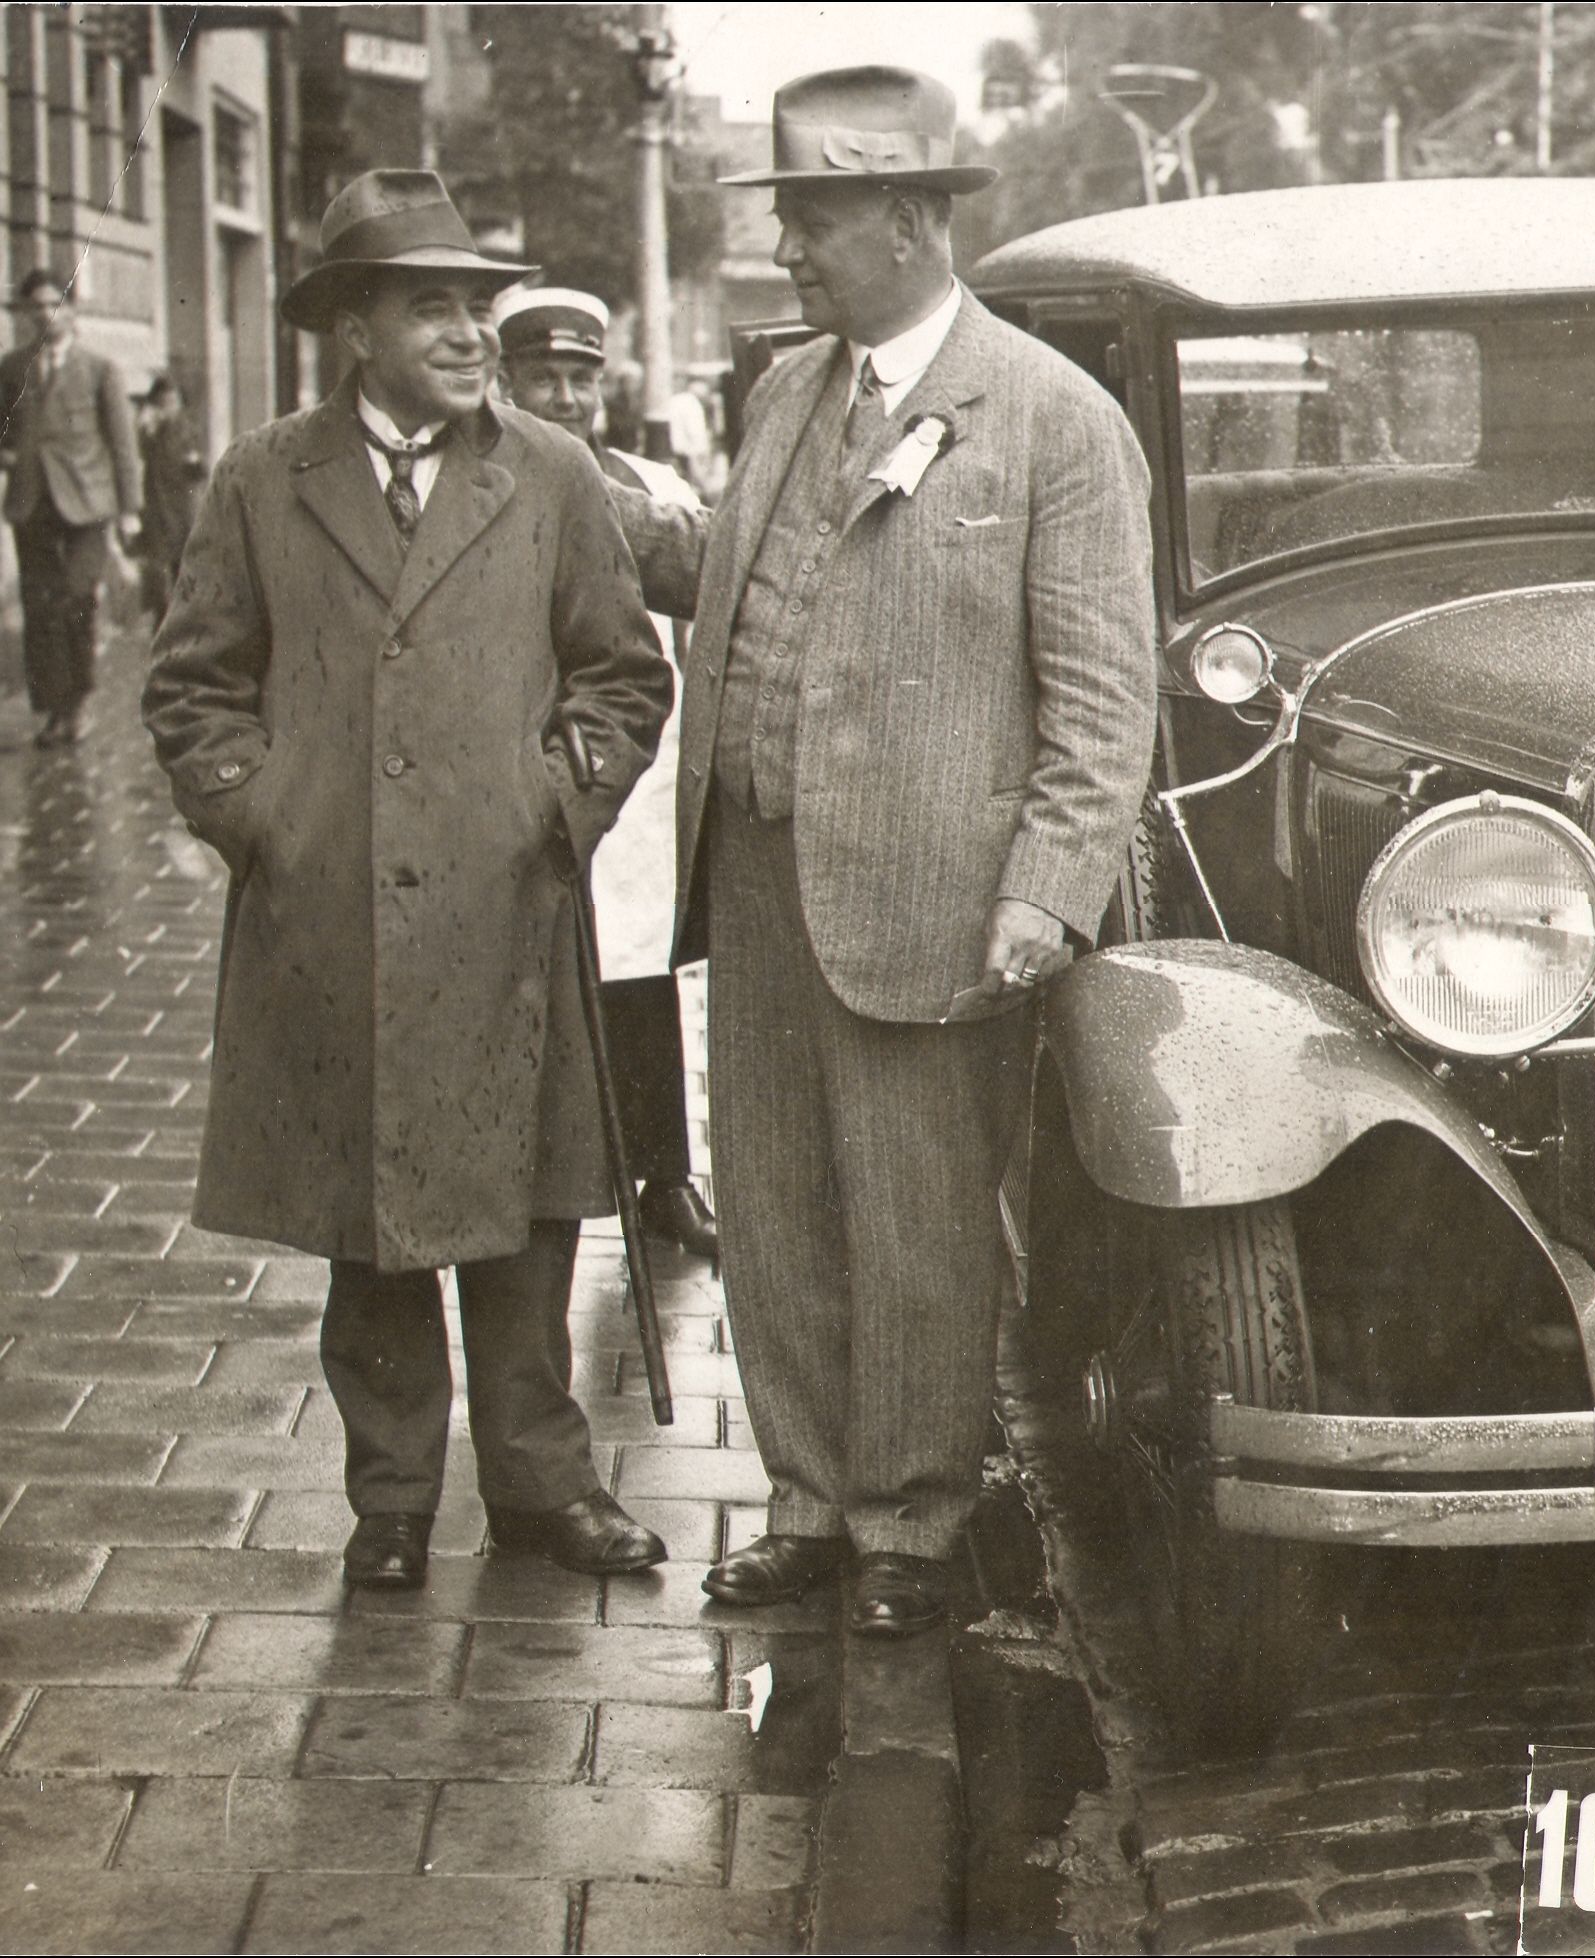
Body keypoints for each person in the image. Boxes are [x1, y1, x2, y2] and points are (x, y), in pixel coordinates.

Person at [607, 65, 1156, 1637]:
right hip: (760, 873)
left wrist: (1047, 890)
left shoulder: (1052, 417)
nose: (785, 249)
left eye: (814, 220)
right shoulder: (788, 391)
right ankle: (806, 1499)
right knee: (775, 1204)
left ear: (912, 220)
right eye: (785, 218)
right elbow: (744, 581)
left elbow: (1104, 695)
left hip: (936, 895)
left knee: (919, 1222)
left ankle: (912, 1520)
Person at [140, 170, 677, 1593]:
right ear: (356, 330)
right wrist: (271, 820)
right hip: (331, 916)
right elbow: (192, 688)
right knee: (362, 1215)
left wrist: (553, 806)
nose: (468, 333)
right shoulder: (261, 477)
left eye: (477, 306)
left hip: (507, 910)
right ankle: (389, 1500)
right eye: (431, 307)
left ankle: (542, 1485)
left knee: (529, 1211)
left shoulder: (551, 473)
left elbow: (624, 674)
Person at [494, 286, 719, 1259]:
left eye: (579, 378)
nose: (563, 397)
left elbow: (700, 589)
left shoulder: (648, 483)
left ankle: (662, 1175)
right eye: (542, 377)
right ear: (505, 381)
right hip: (522, 770)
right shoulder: (481, 481)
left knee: (637, 976)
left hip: (633, 779)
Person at [0, 269, 141, 747]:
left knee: (78, 601)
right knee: (40, 607)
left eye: (54, 303)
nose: (46, 313)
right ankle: (52, 709)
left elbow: (122, 445)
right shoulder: (12, 368)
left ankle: (78, 703)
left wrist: (129, 509)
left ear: (72, 309)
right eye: (36, 306)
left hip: (87, 505)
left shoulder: (99, 369)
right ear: (25, 313)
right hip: (31, 504)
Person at [135, 373, 206, 623]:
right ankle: (163, 619)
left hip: (182, 509)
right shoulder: (150, 428)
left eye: (172, 402)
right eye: (162, 403)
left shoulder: (187, 428)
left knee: (181, 568)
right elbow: (140, 455)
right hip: (157, 508)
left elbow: (199, 471)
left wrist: (194, 462)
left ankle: (182, 621)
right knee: (156, 568)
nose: (168, 408)